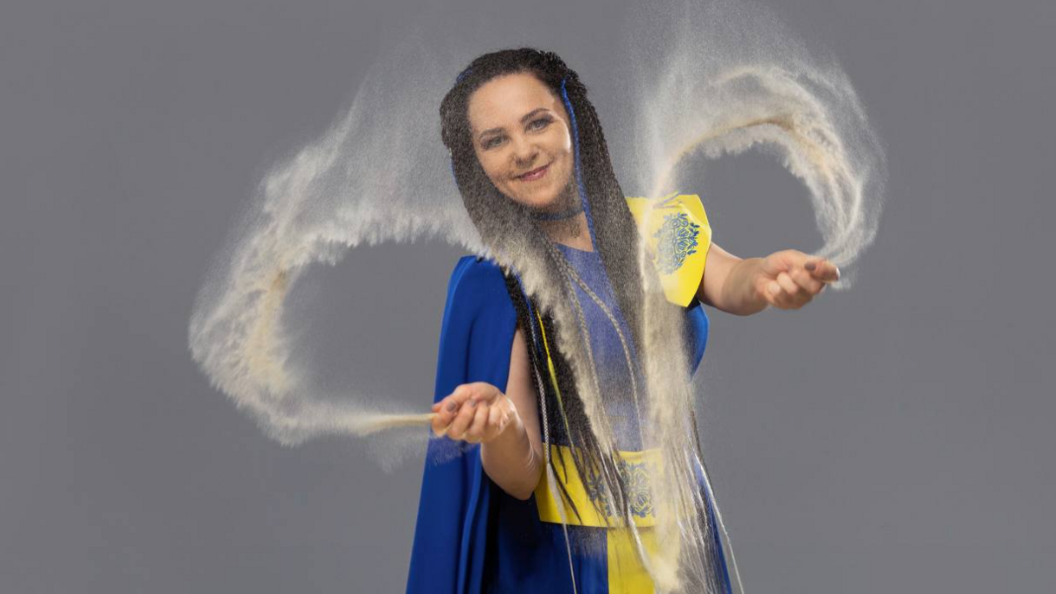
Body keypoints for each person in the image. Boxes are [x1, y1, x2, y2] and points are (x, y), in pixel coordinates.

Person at [405, 48, 839, 594]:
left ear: (573, 121)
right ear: (476, 165)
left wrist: (769, 278)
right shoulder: (497, 282)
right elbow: (519, 476)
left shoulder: (655, 227)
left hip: (679, 535)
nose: (523, 150)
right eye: (495, 140)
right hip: (565, 557)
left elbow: (729, 281)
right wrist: (501, 427)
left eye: (537, 123)